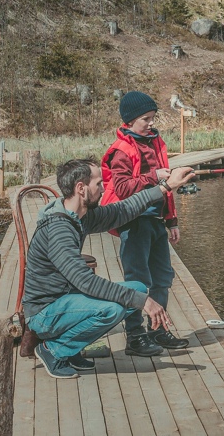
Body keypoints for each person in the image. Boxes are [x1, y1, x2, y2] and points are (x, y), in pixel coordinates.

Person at [22, 158, 195, 379]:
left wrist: (165, 187)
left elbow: (123, 209)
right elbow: (86, 282)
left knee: (137, 288)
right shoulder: (59, 229)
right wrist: (143, 302)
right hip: (45, 312)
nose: (104, 189)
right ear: (81, 188)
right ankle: (54, 350)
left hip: (65, 301)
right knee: (112, 309)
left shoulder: (80, 217)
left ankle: (70, 349)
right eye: (98, 184)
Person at [100, 91, 189, 357]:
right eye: (146, 119)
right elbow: (123, 188)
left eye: (152, 118)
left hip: (156, 221)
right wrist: (154, 176)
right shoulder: (121, 151)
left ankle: (157, 330)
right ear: (129, 121)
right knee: (137, 282)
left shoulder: (155, 141)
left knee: (163, 278)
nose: (151, 123)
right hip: (134, 222)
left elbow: (167, 188)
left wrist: (172, 221)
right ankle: (135, 336)